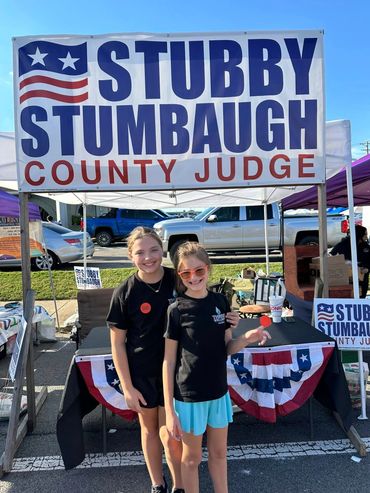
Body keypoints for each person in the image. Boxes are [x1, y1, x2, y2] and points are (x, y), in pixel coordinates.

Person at [163, 242, 271, 493]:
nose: (194, 277)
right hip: (189, 397)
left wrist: (247, 338)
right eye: (186, 273)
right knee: (191, 459)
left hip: (218, 393)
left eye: (199, 271)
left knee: (220, 454)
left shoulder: (221, 302)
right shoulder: (176, 310)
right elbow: (168, 361)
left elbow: (227, 348)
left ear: (208, 269)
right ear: (180, 275)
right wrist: (169, 410)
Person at [107, 227, 184, 493]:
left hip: (178, 372)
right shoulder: (125, 292)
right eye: (140, 252)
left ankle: (179, 485)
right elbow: (117, 343)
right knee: (150, 430)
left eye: (153, 250)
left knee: (172, 432)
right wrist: (127, 387)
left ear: (162, 250)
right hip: (143, 374)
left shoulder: (179, 281)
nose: (148, 257)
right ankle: (157, 483)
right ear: (130, 256)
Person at [331, 224, 370, 298]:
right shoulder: (343, 245)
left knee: (361, 296)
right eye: (365, 234)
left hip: (362, 277)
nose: (366, 237)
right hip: (346, 278)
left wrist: (367, 268)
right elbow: (332, 257)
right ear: (359, 235)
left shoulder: (366, 246)